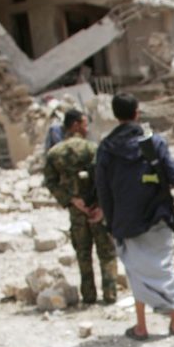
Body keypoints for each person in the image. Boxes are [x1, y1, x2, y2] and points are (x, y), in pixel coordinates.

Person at [95, 94, 174, 340]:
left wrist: (112, 223)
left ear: (116, 115)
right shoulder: (153, 143)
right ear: (137, 112)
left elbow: (103, 190)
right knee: (164, 267)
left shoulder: (106, 148)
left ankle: (141, 326)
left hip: (126, 221)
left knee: (136, 272)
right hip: (158, 215)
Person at [43, 109, 117, 305]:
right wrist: (101, 206)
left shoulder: (54, 153)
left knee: (83, 254)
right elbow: (105, 180)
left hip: (77, 212)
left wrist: (72, 200)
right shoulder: (93, 149)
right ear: (75, 124)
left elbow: (51, 183)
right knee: (107, 253)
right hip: (97, 211)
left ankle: (89, 296)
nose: (86, 128)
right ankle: (110, 294)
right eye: (84, 124)